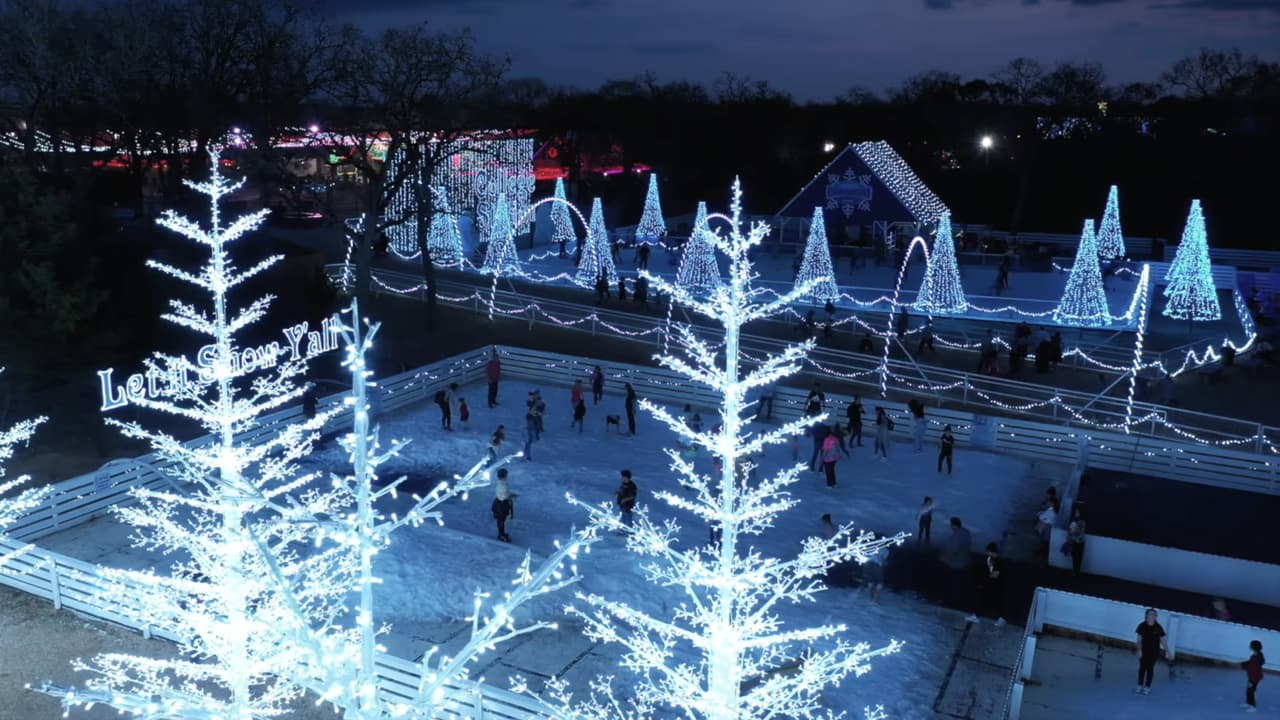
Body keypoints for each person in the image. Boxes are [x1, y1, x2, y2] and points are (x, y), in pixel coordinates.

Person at [941, 517, 972, 614]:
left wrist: (944, 558)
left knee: (953, 582)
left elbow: (954, 550)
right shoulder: (966, 532)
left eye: (951, 525)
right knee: (959, 581)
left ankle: (951, 601)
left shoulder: (957, 536)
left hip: (955, 563)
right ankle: (957, 598)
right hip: (963, 561)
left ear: (954, 525)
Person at [1134, 608, 1168, 695]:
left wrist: (1168, 651)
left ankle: (1147, 686)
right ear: (1146, 616)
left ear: (1156, 617)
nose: (1152, 616)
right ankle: (1139, 684)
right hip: (1143, 651)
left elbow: (1163, 641)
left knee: (1150, 669)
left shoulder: (1158, 627)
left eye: (1154, 615)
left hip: (1154, 652)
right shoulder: (1142, 626)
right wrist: (1139, 650)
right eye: (1150, 614)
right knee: (1142, 668)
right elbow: (1139, 640)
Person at [977, 542, 1006, 626]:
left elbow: (995, 575)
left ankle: (1002, 618)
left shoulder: (999, 562)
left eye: (988, 551)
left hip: (998, 585)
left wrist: (985, 582)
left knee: (998, 602)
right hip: (992, 585)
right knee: (984, 600)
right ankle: (977, 615)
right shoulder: (990, 559)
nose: (987, 553)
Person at [491, 469, 514, 542]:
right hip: (501, 505)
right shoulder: (502, 485)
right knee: (501, 520)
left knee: (501, 520)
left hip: (500, 503)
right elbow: (504, 496)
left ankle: (502, 533)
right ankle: (501, 534)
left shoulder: (501, 483)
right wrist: (510, 496)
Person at [1243, 639, 1265, 712]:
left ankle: (1253, 706)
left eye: (1250, 645)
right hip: (1252, 676)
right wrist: (1243, 664)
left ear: (1253, 647)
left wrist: (1244, 665)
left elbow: (1253, 666)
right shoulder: (1255, 655)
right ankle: (1248, 703)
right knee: (1248, 690)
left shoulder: (1258, 657)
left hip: (1254, 677)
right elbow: (1250, 663)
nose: (1249, 646)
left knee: (1251, 691)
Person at [1066, 505, 1086, 576]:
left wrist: (1073, 535)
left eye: (1077, 512)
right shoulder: (1074, 520)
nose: (1076, 513)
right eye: (1075, 511)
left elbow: (1081, 532)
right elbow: (1070, 530)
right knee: (1074, 557)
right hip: (1075, 541)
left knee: (1077, 558)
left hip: (1079, 542)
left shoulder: (1082, 521)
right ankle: (1075, 571)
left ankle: (1076, 572)